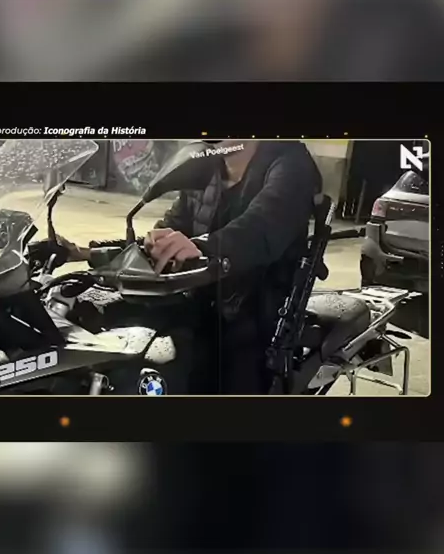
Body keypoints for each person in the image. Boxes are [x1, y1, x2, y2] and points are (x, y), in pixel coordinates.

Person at [58, 140, 322, 394]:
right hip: (198, 303)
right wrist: (85, 253)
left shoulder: (290, 163)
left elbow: (261, 228)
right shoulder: (206, 168)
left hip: (256, 314)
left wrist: (203, 247)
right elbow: (169, 233)